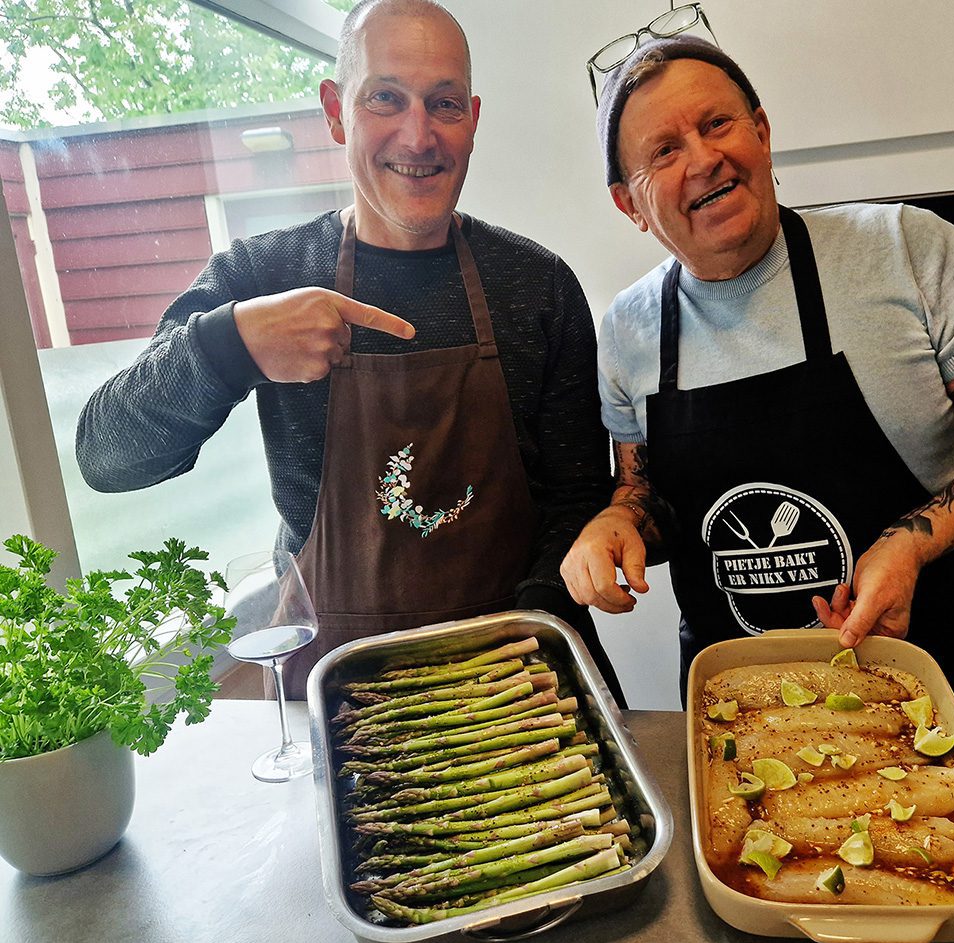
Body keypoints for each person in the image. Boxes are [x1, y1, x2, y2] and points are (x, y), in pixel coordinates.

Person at [76, 0, 625, 704]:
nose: (418, 135)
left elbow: (576, 496)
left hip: (523, 688)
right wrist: (232, 342)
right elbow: (105, 456)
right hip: (341, 696)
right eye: (385, 98)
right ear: (336, 112)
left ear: (474, 119)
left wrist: (531, 631)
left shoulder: (537, 284)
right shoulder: (262, 275)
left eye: (444, 103)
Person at [561, 36, 954, 721]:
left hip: (924, 692)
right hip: (738, 717)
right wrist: (615, 521)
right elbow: (648, 494)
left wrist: (909, 541)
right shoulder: (627, 330)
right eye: (663, 151)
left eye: (717, 123)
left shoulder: (904, 249)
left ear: (762, 132)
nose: (702, 158)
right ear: (626, 204)